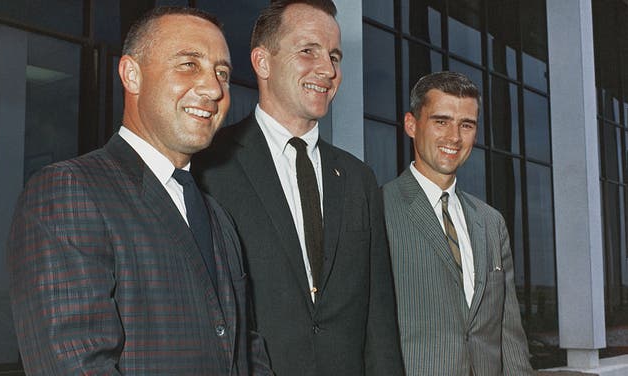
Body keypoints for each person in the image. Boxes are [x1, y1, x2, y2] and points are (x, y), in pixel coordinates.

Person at [7, 6, 272, 375]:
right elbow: (76, 366)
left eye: (222, 73)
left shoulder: (219, 219)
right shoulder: (68, 193)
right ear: (132, 75)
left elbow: (246, 350)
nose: (214, 89)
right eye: (188, 64)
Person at [192, 1, 404, 375]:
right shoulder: (209, 168)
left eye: (334, 56)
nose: (328, 70)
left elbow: (379, 321)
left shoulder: (360, 180)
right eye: (308, 51)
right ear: (262, 62)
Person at [383, 71, 534, 375]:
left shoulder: (491, 223)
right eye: (441, 121)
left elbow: (510, 334)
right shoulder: (378, 210)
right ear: (411, 125)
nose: (454, 137)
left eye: (466, 125)